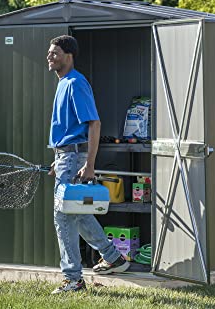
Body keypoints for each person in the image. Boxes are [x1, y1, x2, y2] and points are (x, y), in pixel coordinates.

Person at [47, 35, 130, 294]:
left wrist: (89, 164)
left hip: (73, 159)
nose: (49, 57)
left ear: (68, 55)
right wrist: (58, 159)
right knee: (78, 214)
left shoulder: (75, 83)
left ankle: (73, 279)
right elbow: (70, 130)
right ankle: (114, 257)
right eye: (49, 53)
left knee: (63, 217)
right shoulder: (63, 83)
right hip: (65, 158)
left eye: (55, 53)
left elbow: (94, 124)